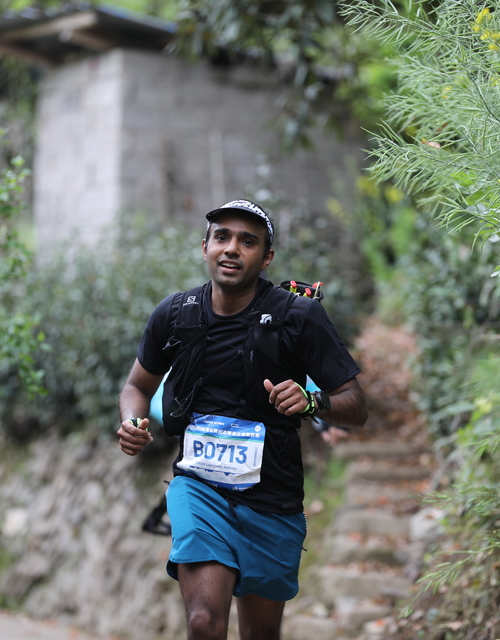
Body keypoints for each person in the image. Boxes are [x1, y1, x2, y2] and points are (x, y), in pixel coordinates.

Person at [117, 199, 367, 640]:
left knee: (260, 634)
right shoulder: (175, 314)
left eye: (247, 241)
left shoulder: (298, 316)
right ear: (205, 248)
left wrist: (312, 401)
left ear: (266, 257)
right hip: (199, 488)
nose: (232, 248)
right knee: (203, 622)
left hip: (273, 498)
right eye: (222, 237)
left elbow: (356, 405)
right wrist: (133, 422)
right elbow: (137, 386)